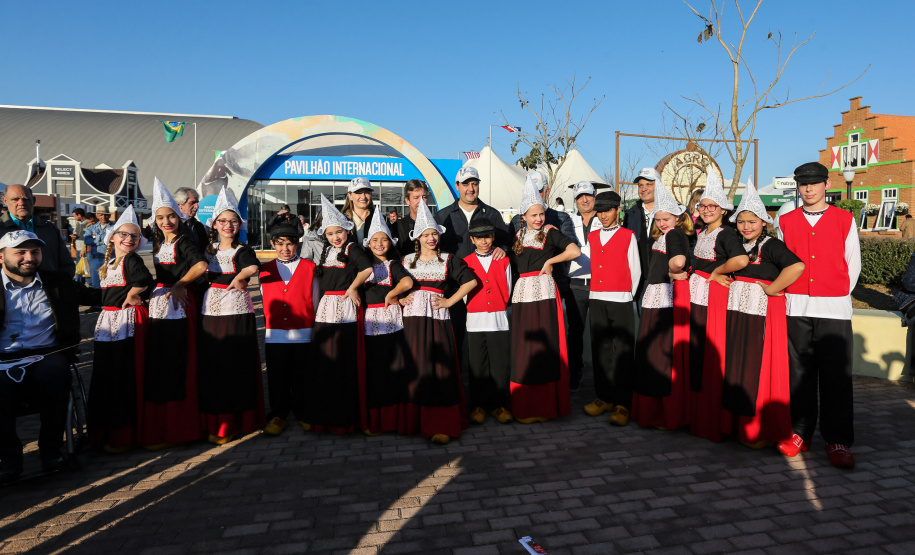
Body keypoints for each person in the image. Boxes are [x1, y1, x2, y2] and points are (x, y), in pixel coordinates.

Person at [776, 162, 861, 469]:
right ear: (798, 187)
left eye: (814, 183)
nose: (809, 189)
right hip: (796, 307)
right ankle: (800, 432)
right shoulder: (784, 221)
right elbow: (780, 264)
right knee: (799, 373)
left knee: (836, 375)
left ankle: (837, 439)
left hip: (833, 309)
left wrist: (835, 294)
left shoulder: (844, 219)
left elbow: (853, 264)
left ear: (826, 184)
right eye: (803, 184)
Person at [0, 231, 93, 483]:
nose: (28, 258)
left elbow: (93, 296)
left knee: (55, 376)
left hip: (47, 354)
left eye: (34, 252)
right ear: (2, 257)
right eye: (20, 252)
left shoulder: (57, 282)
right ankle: (9, 457)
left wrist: (140, 291)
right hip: (3, 358)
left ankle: (50, 449)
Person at [724, 181, 804, 449]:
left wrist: (773, 289)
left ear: (764, 222)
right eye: (742, 221)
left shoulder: (771, 245)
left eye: (752, 221)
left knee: (758, 368)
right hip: (738, 312)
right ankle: (741, 424)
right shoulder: (739, 245)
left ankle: (759, 428)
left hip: (761, 315)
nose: (746, 226)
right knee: (740, 367)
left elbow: (796, 266)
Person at [401, 201, 478, 444]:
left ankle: (442, 423)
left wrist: (449, 301)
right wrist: (399, 298)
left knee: (440, 367)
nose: (431, 238)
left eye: (434, 233)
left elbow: (470, 282)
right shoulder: (405, 261)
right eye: (426, 234)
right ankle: (415, 422)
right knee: (417, 367)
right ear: (418, 238)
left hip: (437, 320)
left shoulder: (448, 259)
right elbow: (389, 285)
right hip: (412, 321)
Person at [141, 178, 208, 450]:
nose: (166, 221)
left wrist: (181, 283)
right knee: (162, 362)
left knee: (178, 361)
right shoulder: (159, 243)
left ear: (178, 216)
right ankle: (162, 427)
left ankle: (181, 427)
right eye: (160, 217)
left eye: (170, 216)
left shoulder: (183, 242)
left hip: (178, 305)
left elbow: (201, 265)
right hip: (160, 304)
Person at [509, 178, 581, 424]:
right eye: (533, 215)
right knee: (525, 350)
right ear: (524, 216)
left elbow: (575, 251)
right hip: (522, 296)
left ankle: (545, 405)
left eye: (541, 213)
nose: (538, 218)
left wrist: (550, 262)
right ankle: (527, 404)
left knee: (544, 348)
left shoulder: (550, 232)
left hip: (543, 294)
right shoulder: (518, 236)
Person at [198, 187, 264, 445]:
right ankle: (216, 419)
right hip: (210, 312)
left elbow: (253, 266)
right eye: (223, 221)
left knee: (235, 366)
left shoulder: (241, 249)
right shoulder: (207, 250)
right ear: (214, 224)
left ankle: (239, 421)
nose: (228, 225)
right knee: (214, 366)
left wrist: (239, 276)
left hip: (236, 313)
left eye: (233, 221)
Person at [687, 169, 748, 443]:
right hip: (698, 295)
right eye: (703, 206)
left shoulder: (726, 234)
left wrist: (716, 272)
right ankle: (698, 416)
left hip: (714, 297)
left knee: (713, 356)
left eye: (713, 206)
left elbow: (741, 261)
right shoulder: (701, 231)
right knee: (698, 353)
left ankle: (713, 420)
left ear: (723, 209)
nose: (707, 210)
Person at [304, 194, 372, 435]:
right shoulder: (324, 251)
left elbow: (367, 269)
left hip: (344, 308)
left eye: (339, 232)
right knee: (326, 361)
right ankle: (325, 415)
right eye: (331, 234)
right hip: (325, 309)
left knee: (344, 362)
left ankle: (345, 418)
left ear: (347, 230)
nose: (335, 237)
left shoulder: (352, 248)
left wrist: (352, 287)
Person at [88, 205, 154, 453]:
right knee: (109, 375)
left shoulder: (131, 259)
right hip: (110, 321)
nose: (129, 239)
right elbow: (107, 295)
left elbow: (143, 279)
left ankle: (123, 434)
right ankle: (110, 432)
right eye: (124, 234)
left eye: (134, 236)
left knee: (124, 375)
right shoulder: (112, 262)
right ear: (112, 237)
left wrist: (134, 294)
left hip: (128, 323)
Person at [630, 179, 693, 430]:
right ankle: (655, 412)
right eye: (658, 219)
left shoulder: (675, 233)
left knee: (659, 354)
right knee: (653, 353)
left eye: (666, 218)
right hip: (657, 296)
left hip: (664, 298)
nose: (662, 223)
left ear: (678, 217)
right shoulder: (664, 235)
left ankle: (662, 414)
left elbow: (678, 261)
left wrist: (672, 269)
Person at [585, 191, 640, 426]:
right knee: (601, 348)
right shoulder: (593, 236)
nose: (603, 215)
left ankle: (622, 402)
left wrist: (627, 295)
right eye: (600, 211)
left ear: (618, 210)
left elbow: (635, 270)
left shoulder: (628, 235)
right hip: (597, 298)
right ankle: (604, 396)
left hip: (621, 299)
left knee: (623, 352)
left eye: (608, 210)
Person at [258, 223, 319, 437]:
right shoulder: (264, 270)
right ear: (272, 244)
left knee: (302, 375)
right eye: (280, 244)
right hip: (275, 333)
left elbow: (315, 298)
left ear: (297, 244)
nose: (285, 249)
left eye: (290, 244)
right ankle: (280, 414)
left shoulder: (310, 267)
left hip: (303, 331)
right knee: (277, 376)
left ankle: (304, 413)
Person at [357, 214, 414, 435]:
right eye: (375, 240)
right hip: (370, 324)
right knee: (375, 372)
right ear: (368, 244)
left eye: (384, 240)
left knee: (394, 371)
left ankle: (394, 421)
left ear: (391, 243)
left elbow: (408, 281)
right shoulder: (363, 267)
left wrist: (392, 294)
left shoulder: (393, 265)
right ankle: (376, 421)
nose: (380, 244)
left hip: (391, 322)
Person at [464, 216, 513, 426]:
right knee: (477, 365)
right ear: (472, 239)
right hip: (475, 320)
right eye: (479, 238)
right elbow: (464, 292)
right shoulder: (465, 262)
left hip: (498, 320)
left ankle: (499, 404)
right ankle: (479, 405)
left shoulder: (503, 259)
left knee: (499, 364)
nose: (484, 242)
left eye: (488, 237)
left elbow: (508, 288)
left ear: (493, 237)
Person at [567, 181, 603, 393]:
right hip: (576, 285)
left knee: (600, 332)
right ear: (575, 199)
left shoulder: (605, 219)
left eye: (588, 195)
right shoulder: (569, 221)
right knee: (576, 332)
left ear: (595, 195)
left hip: (600, 285)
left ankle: (602, 374)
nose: (585, 200)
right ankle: (575, 373)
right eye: (580, 197)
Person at [0, 185, 75, 278]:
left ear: (33, 200)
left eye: (26, 199)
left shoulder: (48, 228)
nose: (21, 203)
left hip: (48, 288)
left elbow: (66, 263)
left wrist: (61, 285)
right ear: (5, 201)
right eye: (15, 199)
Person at [623, 168, 660, 307]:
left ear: (659, 186)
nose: (644, 188)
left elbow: (689, 244)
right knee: (643, 324)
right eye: (640, 185)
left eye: (649, 184)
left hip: (665, 280)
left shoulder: (675, 211)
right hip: (640, 279)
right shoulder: (631, 213)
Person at [394, 179, 430, 257]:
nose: (421, 202)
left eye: (424, 197)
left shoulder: (437, 224)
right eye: (416, 197)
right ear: (407, 200)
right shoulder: (397, 227)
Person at [84, 205, 114, 289]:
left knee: (109, 283)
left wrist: (94, 241)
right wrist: (103, 241)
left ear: (109, 215)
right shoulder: (91, 227)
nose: (103, 217)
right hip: (95, 258)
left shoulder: (114, 227)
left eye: (105, 214)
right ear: (97, 216)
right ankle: (98, 301)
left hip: (110, 259)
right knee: (96, 284)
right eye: (101, 215)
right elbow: (86, 240)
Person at [342, 177, 377, 245]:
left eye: (367, 192)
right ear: (350, 196)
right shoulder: (342, 221)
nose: (363, 197)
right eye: (358, 193)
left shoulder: (381, 219)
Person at [174, 187, 208, 255]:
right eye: (192, 203)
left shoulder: (199, 226)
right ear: (179, 205)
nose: (197, 206)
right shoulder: (173, 226)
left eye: (197, 202)